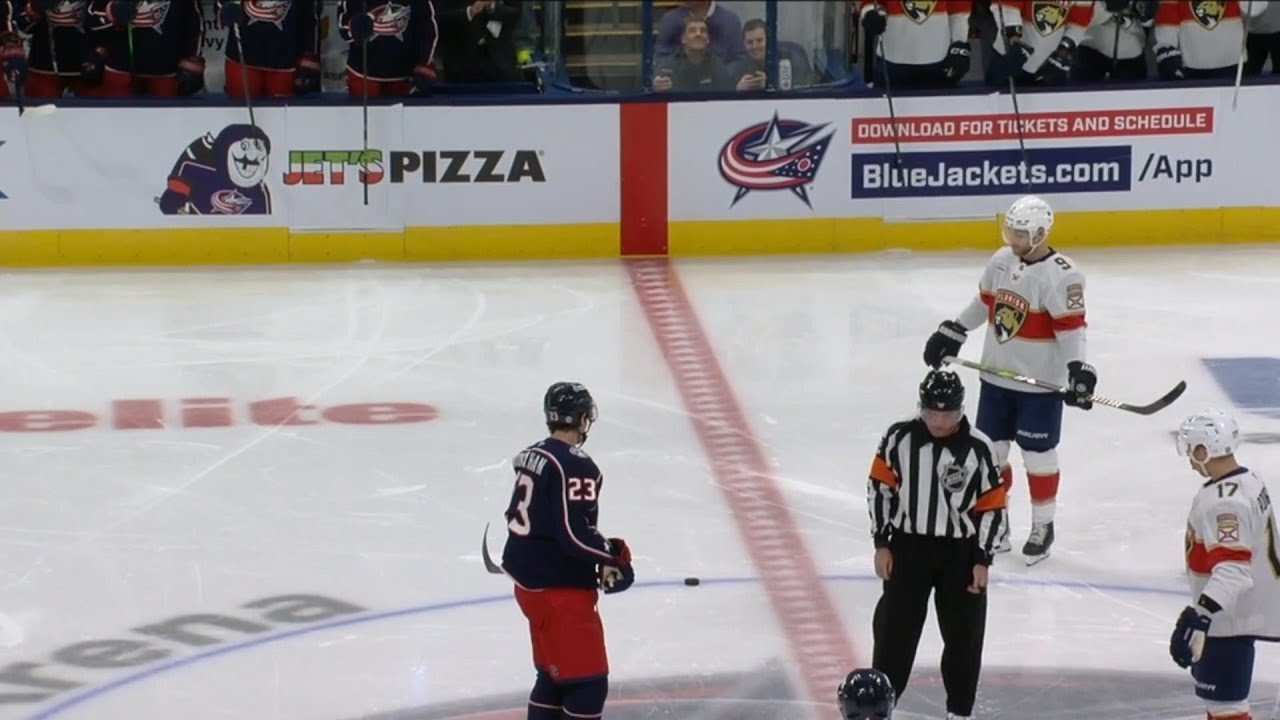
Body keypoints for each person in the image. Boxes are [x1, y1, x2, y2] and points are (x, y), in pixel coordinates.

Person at [923, 194, 1096, 565]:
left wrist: (1078, 369)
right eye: (1010, 231)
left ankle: (1042, 525)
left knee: (1038, 456)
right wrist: (955, 329)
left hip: (1038, 387)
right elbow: (984, 303)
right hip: (996, 380)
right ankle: (995, 521)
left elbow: (1070, 329)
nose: (1012, 240)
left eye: (1020, 234)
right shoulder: (1002, 261)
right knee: (991, 454)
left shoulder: (1063, 274)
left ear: (1039, 233)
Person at [866, 370, 1008, 720]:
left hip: (960, 555)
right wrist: (882, 542)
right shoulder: (898, 437)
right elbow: (879, 488)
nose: (939, 422)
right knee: (893, 633)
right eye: (932, 414)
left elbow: (992, 505)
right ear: (921, 408)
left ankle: (959, 711)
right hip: (908, 548)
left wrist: (982, 558)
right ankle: (881, 706)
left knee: (964, 638)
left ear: (960, 412)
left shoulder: (979, 447)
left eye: (946, 415)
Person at [500, 382, 635, 720]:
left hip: (530, 585)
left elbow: (552, 524)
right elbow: (573, 535)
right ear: (581, 418)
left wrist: (601, 552)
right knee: (588, 684)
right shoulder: (577, 465)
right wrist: (612, 558)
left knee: (553, 675)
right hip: (559, 592)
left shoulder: (533, 455)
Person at [1171, 410, 1280, 720]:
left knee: (1226, 707)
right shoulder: (1248, 479)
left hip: (1230, 616)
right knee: (1222, 705)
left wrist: (1200, 616)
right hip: (1241, 611)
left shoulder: (1224, 503)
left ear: (1205, 450)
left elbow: (1233, 571)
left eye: (1192, 450)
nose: (1190, 459)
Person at [216, 0, 322, 98]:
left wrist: (310, 56)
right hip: (242, 55)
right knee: (239, 114)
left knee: (286, 116)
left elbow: (312, 11)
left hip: (288, 59)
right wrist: (224, 6)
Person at [337, 0, 438, 98]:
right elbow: (343, 23)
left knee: (406, 114)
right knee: (359, 114)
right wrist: (352, 26)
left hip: (405, 76)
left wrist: (424, 63)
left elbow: (427, 29)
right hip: (363, 74)